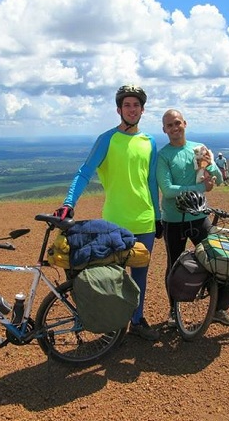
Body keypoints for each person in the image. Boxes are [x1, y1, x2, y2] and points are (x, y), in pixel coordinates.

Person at [53, 85, 162, 341]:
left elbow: (151, 182)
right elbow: (84, 172)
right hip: (115, 221)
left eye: (136, 105)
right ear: (119, 109)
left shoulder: (150, 142)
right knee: (113, 278)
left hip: (144, 220)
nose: (132, 109)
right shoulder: (107, 139)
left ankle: (136, 321)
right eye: (127, 105)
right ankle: (114, 326)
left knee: (140, 275)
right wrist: (69, 203)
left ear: (142, 110)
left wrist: (157, 216)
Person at [157, 109, 229, 327]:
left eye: (177, 123)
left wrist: (211, 170)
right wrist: (200, 187)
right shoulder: (163, 156)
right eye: (169, 125)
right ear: (164, 129)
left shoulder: (198, 149)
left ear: (185, 123)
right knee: (174, 266)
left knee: (217, 258)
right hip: (174, 220)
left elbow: (219, 180)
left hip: (200, 216)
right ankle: (174, 313)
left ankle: (218, 309)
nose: (174, 128)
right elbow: (167, 190)